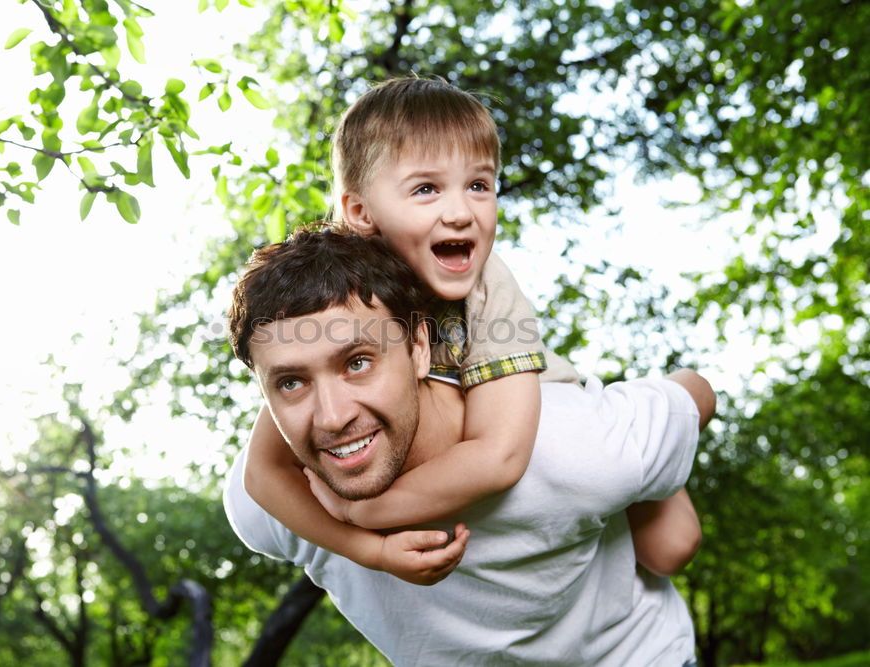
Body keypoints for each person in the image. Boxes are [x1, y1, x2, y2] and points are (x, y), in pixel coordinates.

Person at [242, 76, 701, 583]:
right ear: (359, 211)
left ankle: (672, 394)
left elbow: (499, 456)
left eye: (479, 185)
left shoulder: (488, 285)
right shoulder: (333, 300)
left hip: (542, 394)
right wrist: (366, 551)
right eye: (426, 189)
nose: (461, 212)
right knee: (662, 553)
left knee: (671, 547)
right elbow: (263, 474)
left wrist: (365, 513)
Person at [223, 229, 715, 665]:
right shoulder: (270, 502)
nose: (333, 417)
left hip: (641, 656)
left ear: (419, 348)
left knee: (672, 543)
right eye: (290, 383)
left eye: (357, 363)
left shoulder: (572, 441)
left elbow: (695, 395)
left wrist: (645, 463)